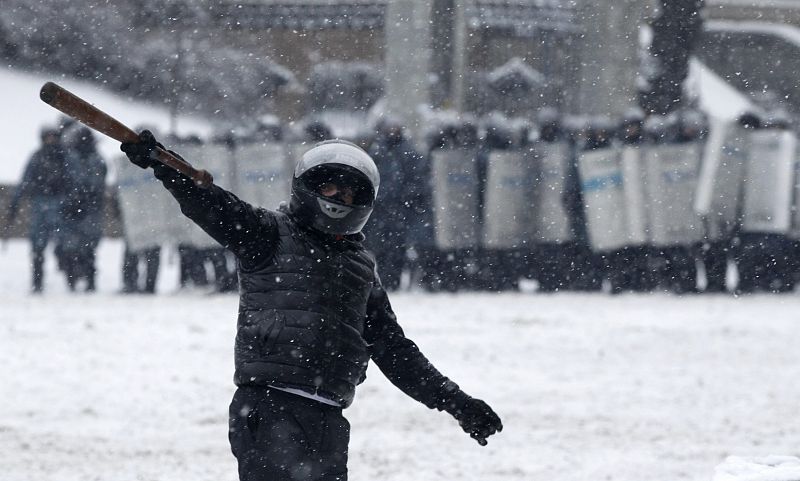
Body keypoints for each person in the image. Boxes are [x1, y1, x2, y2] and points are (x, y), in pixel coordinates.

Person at [121, 131, 502, 481]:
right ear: (308, 187)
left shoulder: (362, 267)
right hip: (270, 405)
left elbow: (394, 350)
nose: (339, 200)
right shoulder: (267, 234)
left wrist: (456, 402)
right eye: (332, 188)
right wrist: (163, 165)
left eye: (350, 195)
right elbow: (215, 205)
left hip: (329, 416)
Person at [364, 117, 426, 290]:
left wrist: (408, 197)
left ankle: (394, 282)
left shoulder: (408, 152)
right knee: (381, 249)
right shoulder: (377, 152)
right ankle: (386, 282)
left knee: (398, 249)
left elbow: (417, 180)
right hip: (382, 211)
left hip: (400, 211)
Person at [6, 127, 69, 293]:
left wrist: (73, 201)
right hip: (40, 203)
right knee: (37, 247)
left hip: (59, 203)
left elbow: (73, 179)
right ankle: (37, 282)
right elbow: (25, 179)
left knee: (63, 244)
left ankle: (69, 275)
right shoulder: (37, 157)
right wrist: (15, 203)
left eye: (53, 137)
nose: (50, 141)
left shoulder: (64, 156)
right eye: (47, 137)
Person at [58, 125, 107, 292]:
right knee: (79, 247)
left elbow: (96, 183)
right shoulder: (75, 159)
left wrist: (81, 197)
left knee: (85, 247)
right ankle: (81, 279)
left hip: (85, 209)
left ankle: (85, 279)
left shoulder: (89, 159)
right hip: (77, 208)